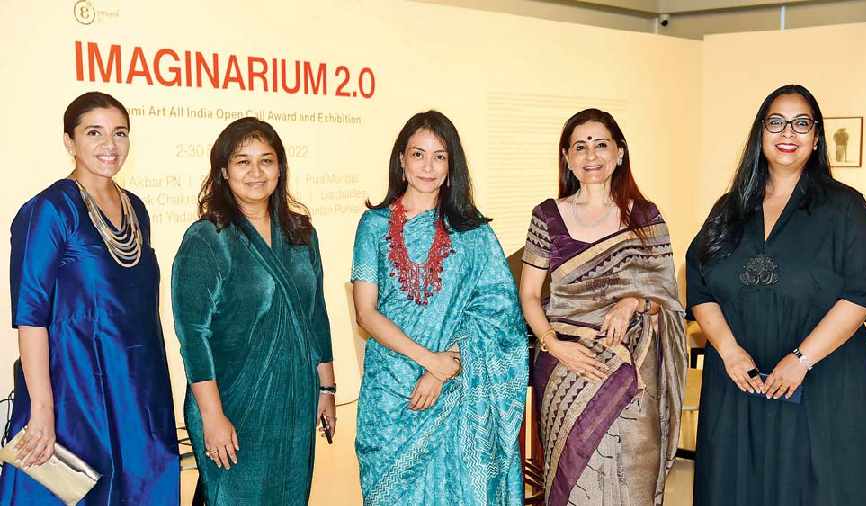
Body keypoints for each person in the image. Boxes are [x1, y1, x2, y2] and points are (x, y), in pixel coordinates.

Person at [686, 84, 866, 505]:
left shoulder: (845, 209)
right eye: (776, 122)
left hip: (823, 383)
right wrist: (727, 350)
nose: (788, 133)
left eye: (801, 123)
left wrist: (801, 360)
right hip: (739, 384)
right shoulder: (729, 210)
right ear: (760, 133)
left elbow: (862, 293)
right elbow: (699, 285)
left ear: (816, 137)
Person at [0, 92, 179, 504]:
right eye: (93, 132)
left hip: (138, 384)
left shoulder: (136, 208)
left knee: (144, 482)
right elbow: (31, 315)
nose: (109, 145)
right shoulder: (49, 210)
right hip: (74, 387)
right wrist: (43, 408)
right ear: (69, 140)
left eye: (120, 133)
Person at [351, 111, 528, 505]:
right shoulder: (374, 225)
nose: (427, 167)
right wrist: (427, 359)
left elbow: (499, 312)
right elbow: (366, 312)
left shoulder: (474, 234)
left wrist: (445, 368)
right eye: (418, 154)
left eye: (439, 156)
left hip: (455, 384)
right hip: (390, 390)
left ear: (452, 166)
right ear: (401, 160)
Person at [519, 108, 687, 506]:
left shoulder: (646, 217)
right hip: (565, 364)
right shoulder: (547, 217)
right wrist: (553, 344)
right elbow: (528, 296)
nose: (591, 156)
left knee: (631, 480)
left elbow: (668, 300)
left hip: (634, 367)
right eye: (580, 146)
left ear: (620, 153)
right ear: (567, 157)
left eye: (600, 145)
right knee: (571, 479)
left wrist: (633, 301)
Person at [171, 117, 335, 505]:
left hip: (293, 398)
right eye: (243, 161)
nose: (256, 172)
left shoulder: (301, 233)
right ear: (224, 171)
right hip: (231, 401)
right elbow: (192, 335)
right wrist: (212, 417)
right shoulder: (207, 238)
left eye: (267, 160)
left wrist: (326, 386)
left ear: (281, 167)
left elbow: (315, 313)